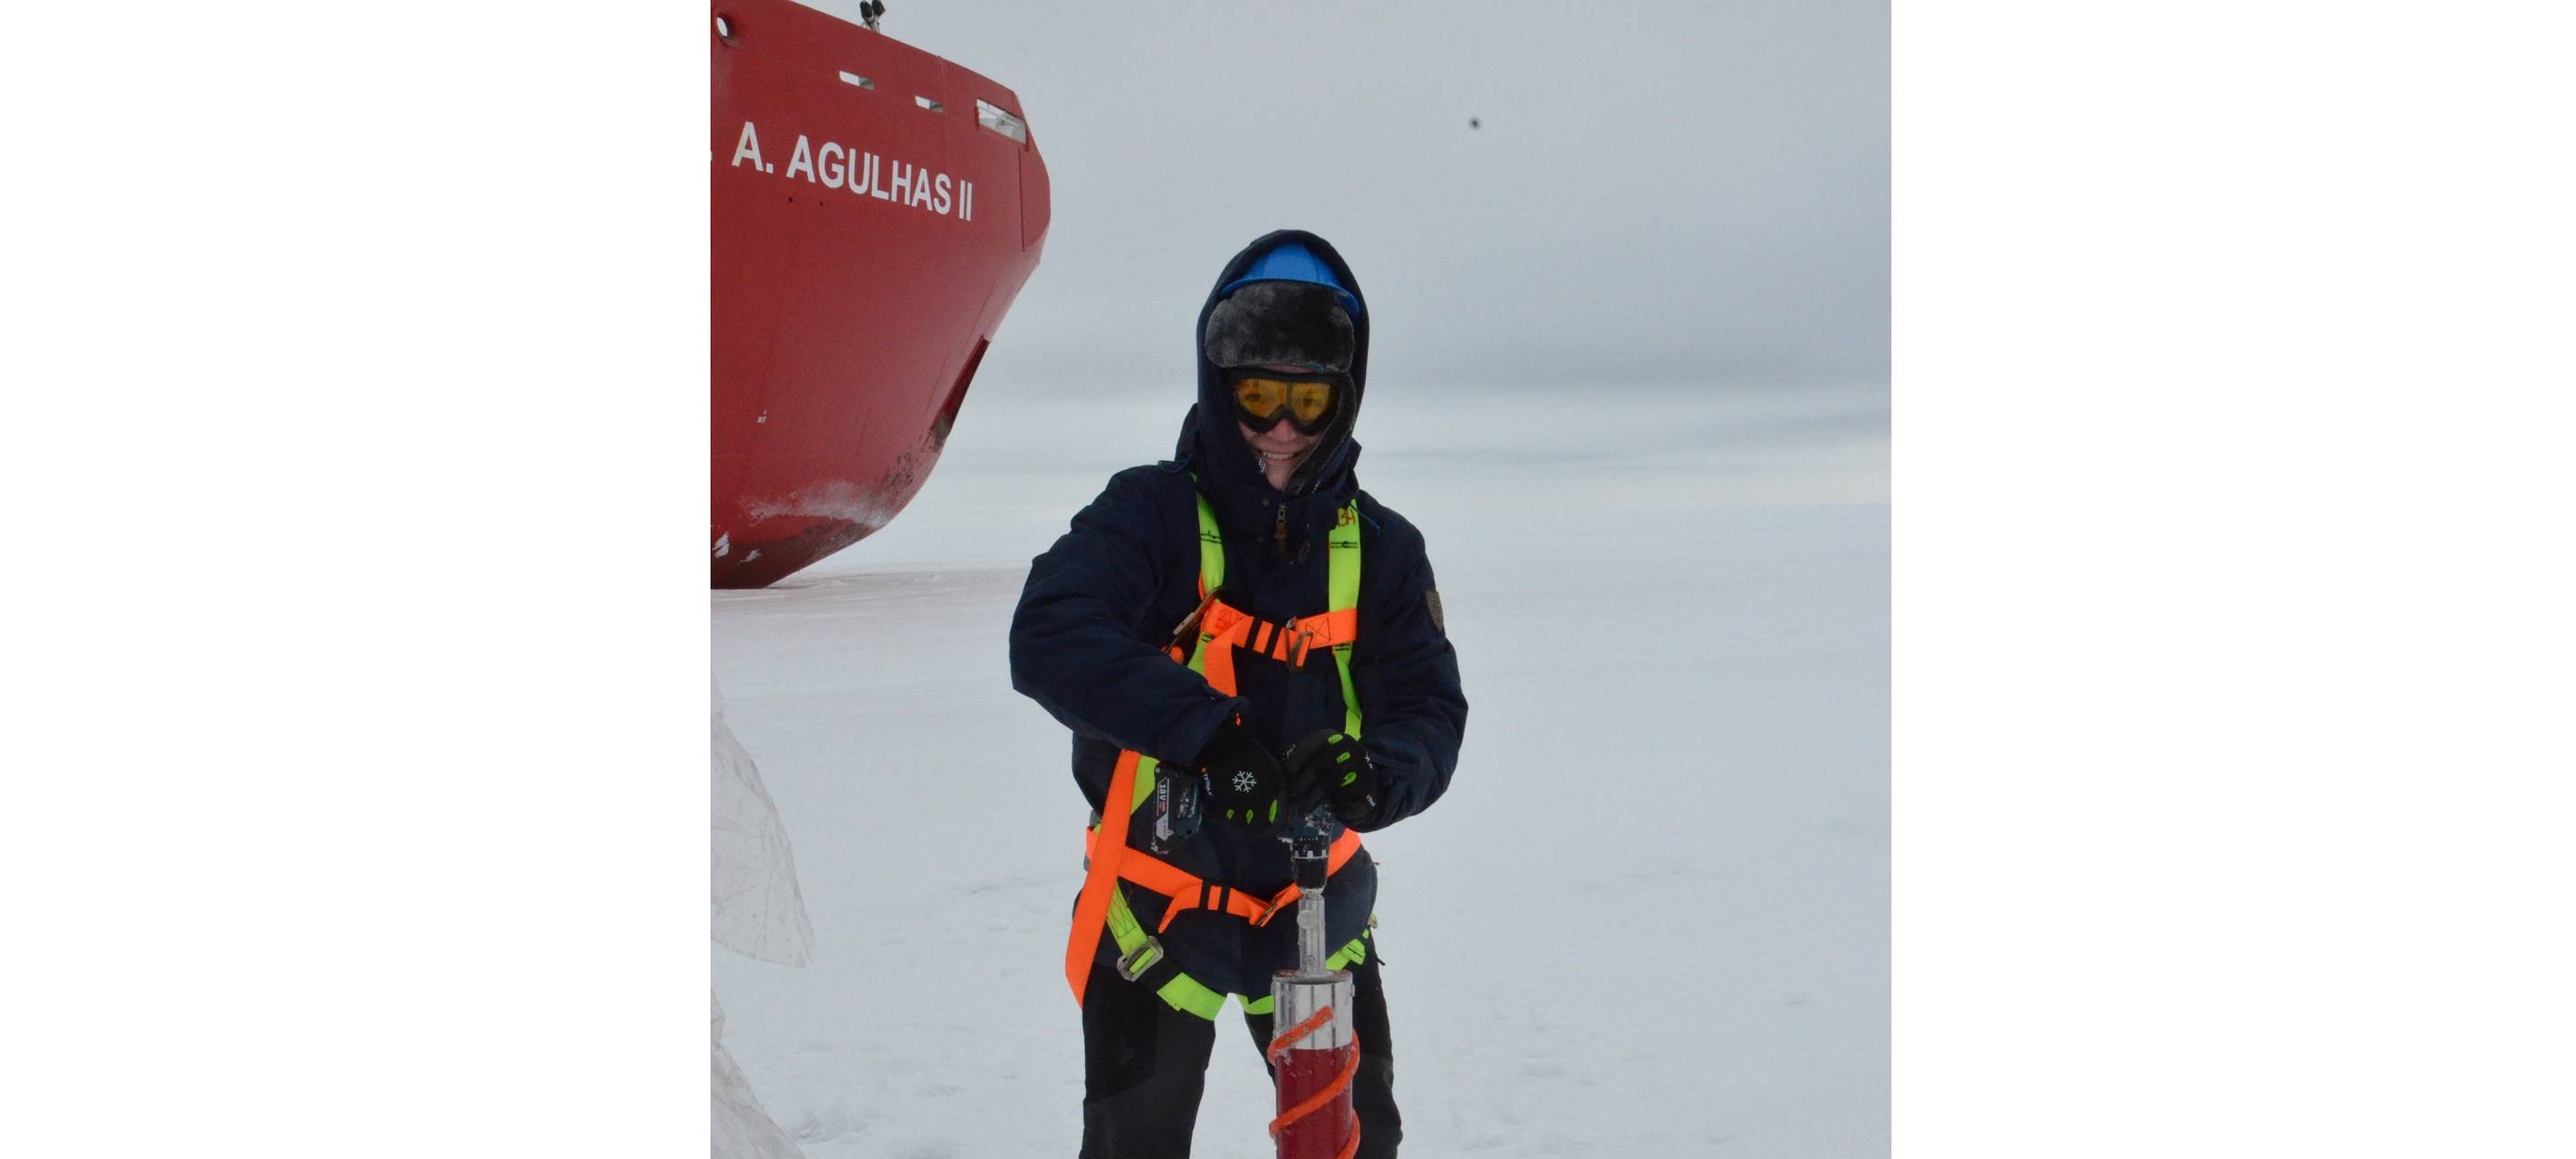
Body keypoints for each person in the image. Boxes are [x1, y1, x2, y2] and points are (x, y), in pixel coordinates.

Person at [1010, 230, 1467, 1157]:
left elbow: (1430, 709)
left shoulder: (1384, 548)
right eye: (1259, 396)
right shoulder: (1147, 514)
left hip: (1316, 914)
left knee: (1356, 1146)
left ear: (1344, 397)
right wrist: (1211, 738)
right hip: (1156, 912)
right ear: (1221, 389)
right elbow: (1050, 634)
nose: (1283, 429)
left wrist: (1377, 775)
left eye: (1309, 400)